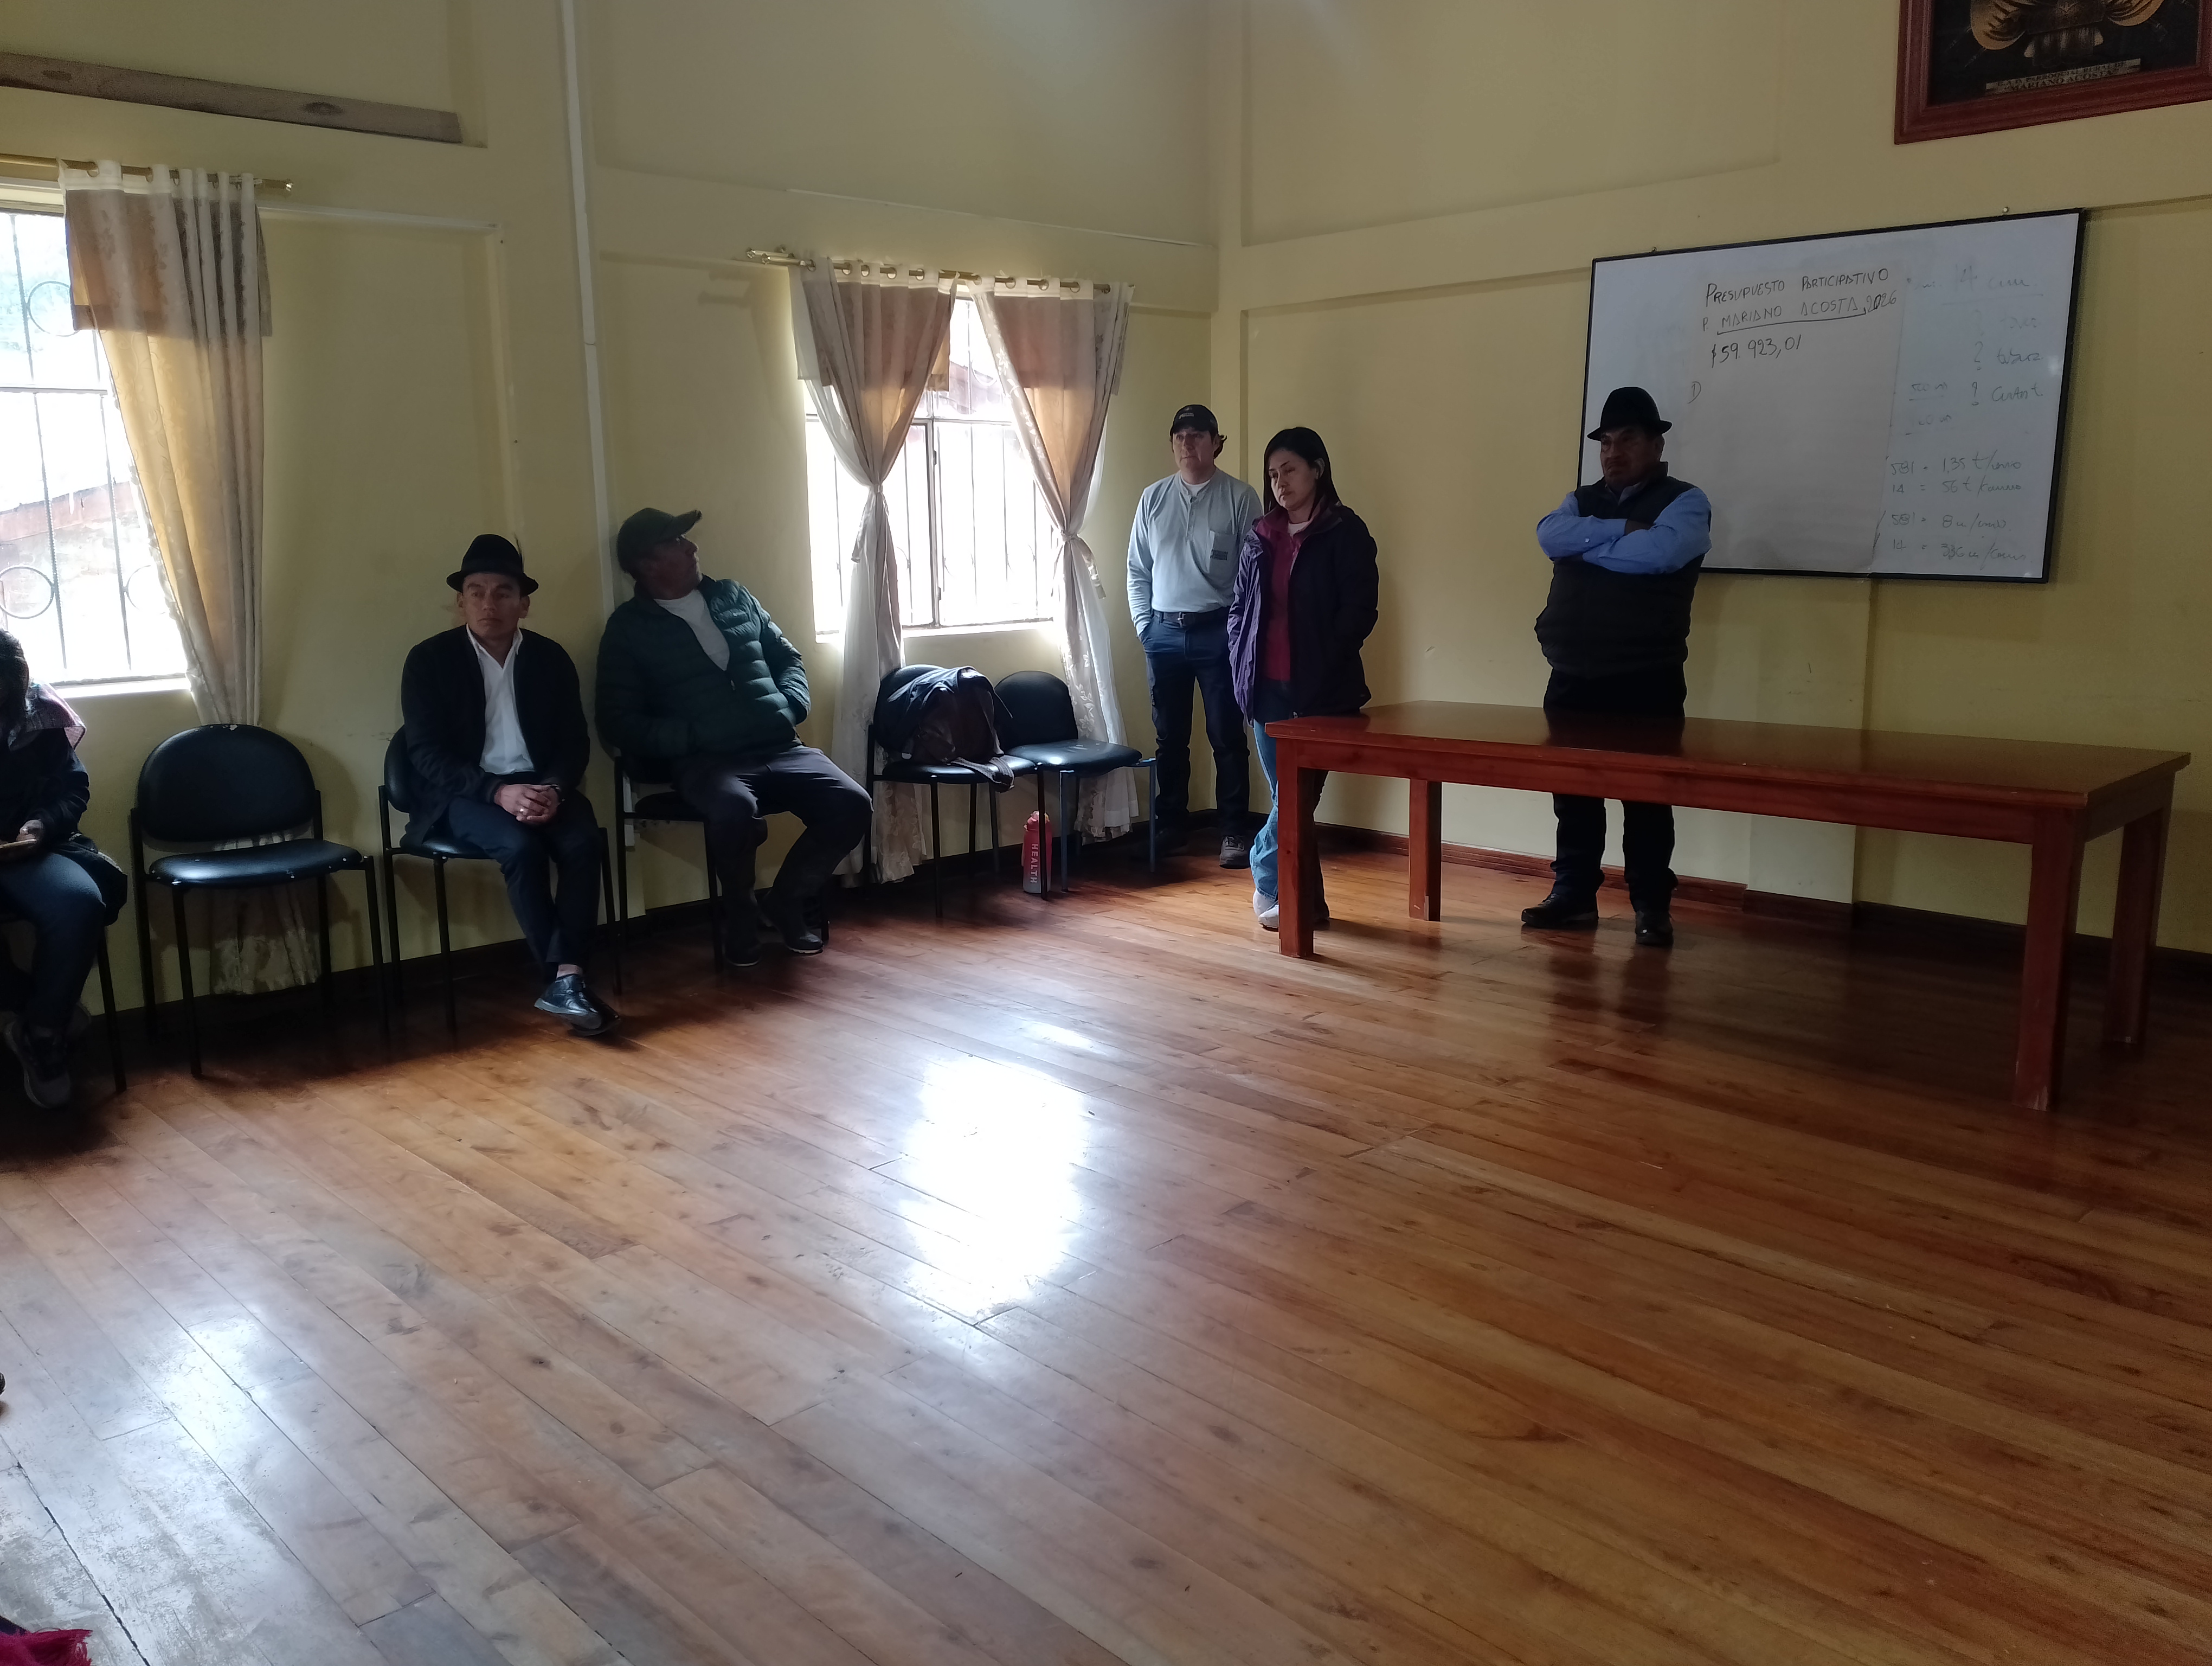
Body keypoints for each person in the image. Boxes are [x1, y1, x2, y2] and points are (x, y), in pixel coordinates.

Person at [595, 507, 870, 965]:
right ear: (646, 564)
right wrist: (692, 737)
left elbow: (787, 658)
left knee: (852, 804)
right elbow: (618, 719)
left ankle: (786, 902)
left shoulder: (733, 596)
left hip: (779, 746)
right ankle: (740, 914)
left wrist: (790, 706)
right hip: (709, 761)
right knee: (735, 810)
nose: (691, 547)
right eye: (676, 542)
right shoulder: (629, 628)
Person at [400, 535, 616, 1034]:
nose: (489, 604)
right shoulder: (429, 660)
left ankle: (567, 977)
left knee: (584, 842)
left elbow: (573, 741)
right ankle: (564, 982)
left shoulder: (550, 657)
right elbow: (425, 753)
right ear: (460, 602)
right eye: (476, 592)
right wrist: (497, 791)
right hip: (465, 792)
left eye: (503, 592)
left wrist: (555, 789)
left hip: (541, 785)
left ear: (524, 603)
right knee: (521, 848)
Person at [1526, 385, 1713, 948]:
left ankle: (1652, 905)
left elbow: (1662, 553)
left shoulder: (1685, 501)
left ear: (1656, 445)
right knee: (1573, 794)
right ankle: (1574, 895)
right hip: (1571, 674)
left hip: (1645, 676)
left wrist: (1585, 546)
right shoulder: (1580, 500)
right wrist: (1620, 531)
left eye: (1627, 439)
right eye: (1606, 442)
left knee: (1647, 796)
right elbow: (1548, 535)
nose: (1613, 452)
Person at [1226, 427, 1379, 932]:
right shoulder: (1260, 536)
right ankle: (1299, 903)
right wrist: (1240, 660)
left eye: (1289, 470)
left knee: (1297, 798)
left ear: (1317, 468)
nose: (1280, 483)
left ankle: (1268, 874)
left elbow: (1359, 611)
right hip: (1266, 688)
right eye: (1273, 474)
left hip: (1323, 691)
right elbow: (1240, 610)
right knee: (1287, 797)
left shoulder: (1345, 531)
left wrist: (1325, 657)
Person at [1127, 403, 1263, 867]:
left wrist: (1238, 634)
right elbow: (1137, 570)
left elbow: (1253, 575)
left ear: (1216, 443)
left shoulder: (1240, 498)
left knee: (1227, 736)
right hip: (1163, 633)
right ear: (1172, 445)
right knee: (1170, 739)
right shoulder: (1153, 499)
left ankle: (1234, 831)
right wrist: (1145, 628)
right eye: (1180, 437)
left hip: (1218, 633)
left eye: (1198, 436)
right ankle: (1171, 826)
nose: (1188, 444)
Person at [0, 631, 127, 1110]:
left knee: (80, 903)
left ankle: (43, 1033)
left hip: (32, 852)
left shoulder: (41, 714)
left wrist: (42, 825)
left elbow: (74, 790)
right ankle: (32, 1009)